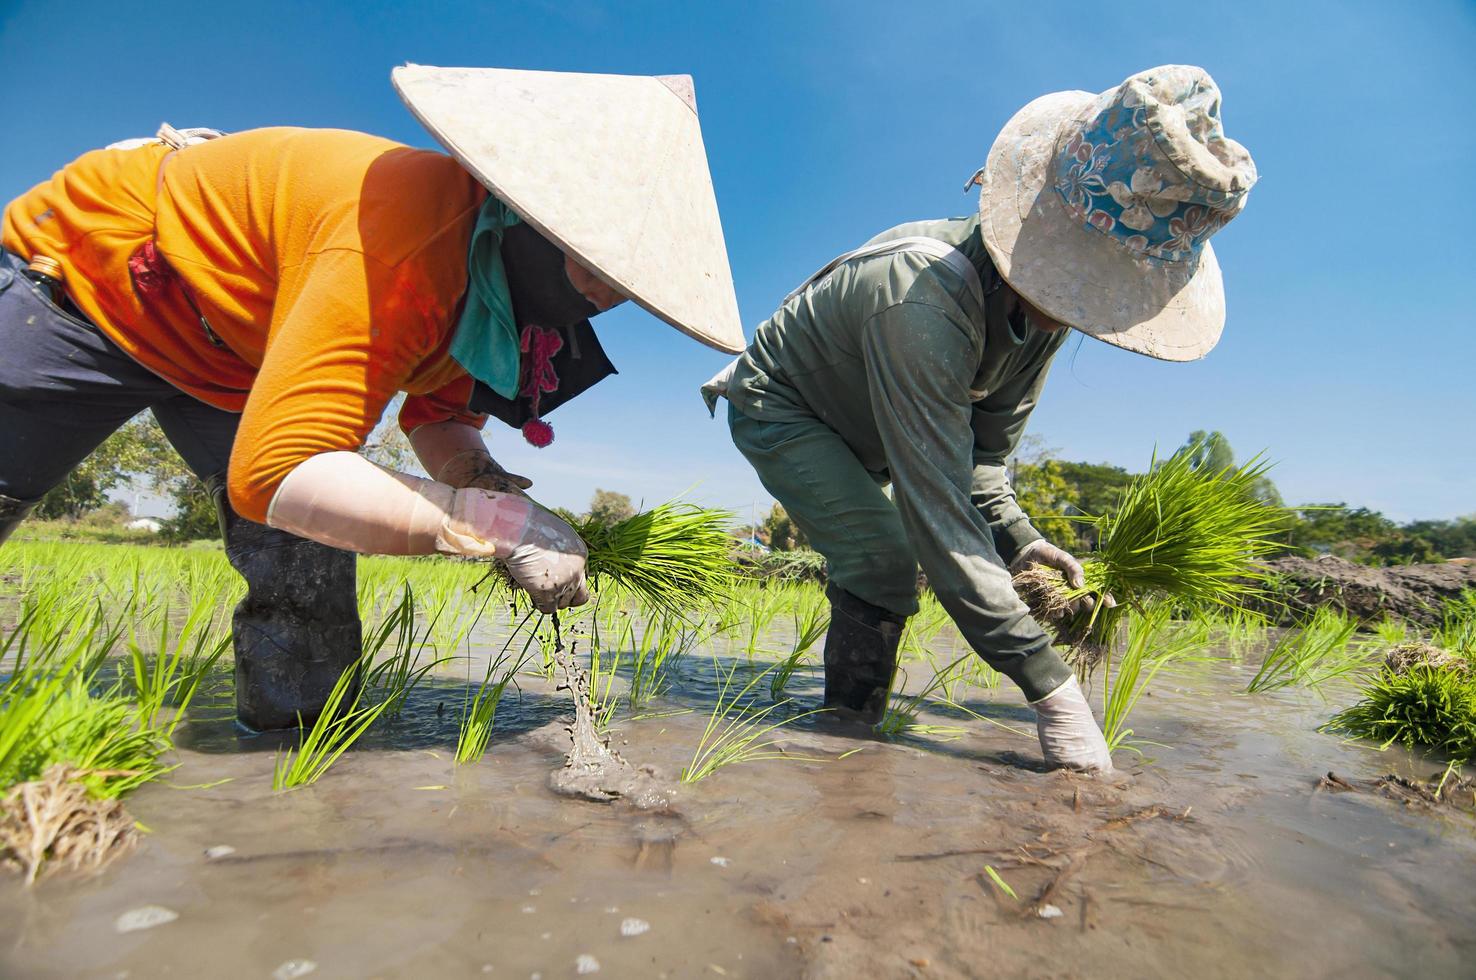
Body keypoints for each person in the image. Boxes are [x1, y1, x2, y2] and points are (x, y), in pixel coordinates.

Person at [0, 66, 744, 731]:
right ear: (535, 217)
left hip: (246, 358)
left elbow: (441, 415)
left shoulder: (491, 294)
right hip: (98, 290)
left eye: (624, 288)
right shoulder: (405, 235)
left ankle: (298, 758)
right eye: (598, 271)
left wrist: (485, 483)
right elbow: (280, 469)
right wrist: (492, 525)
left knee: (305, 555)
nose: (606, 298)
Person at [704, 65, 1257, 772]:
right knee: (883, 560)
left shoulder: (1043, 315)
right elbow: (939, 516)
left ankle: (850, 725)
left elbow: (982, 461)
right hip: (785, 405)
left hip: (873, 421)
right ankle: (845, 743)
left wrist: (1021, 541)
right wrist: (1051, 691)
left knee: (894, 555)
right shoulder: (921, 303)